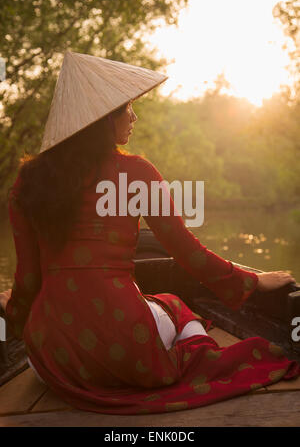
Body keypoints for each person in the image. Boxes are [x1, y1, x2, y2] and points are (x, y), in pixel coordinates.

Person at [0, 52, 299, 415]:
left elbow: (28, 280)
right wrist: (253, 281)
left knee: (46, 350)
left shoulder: (28, 183)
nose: (134, 116)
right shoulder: (135, 173)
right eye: (127, 108)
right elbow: (188, 255)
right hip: (127, 349)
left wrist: (14, 315)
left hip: (53, 356)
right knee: (174, 305)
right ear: (104, 119)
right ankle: (196, 345)